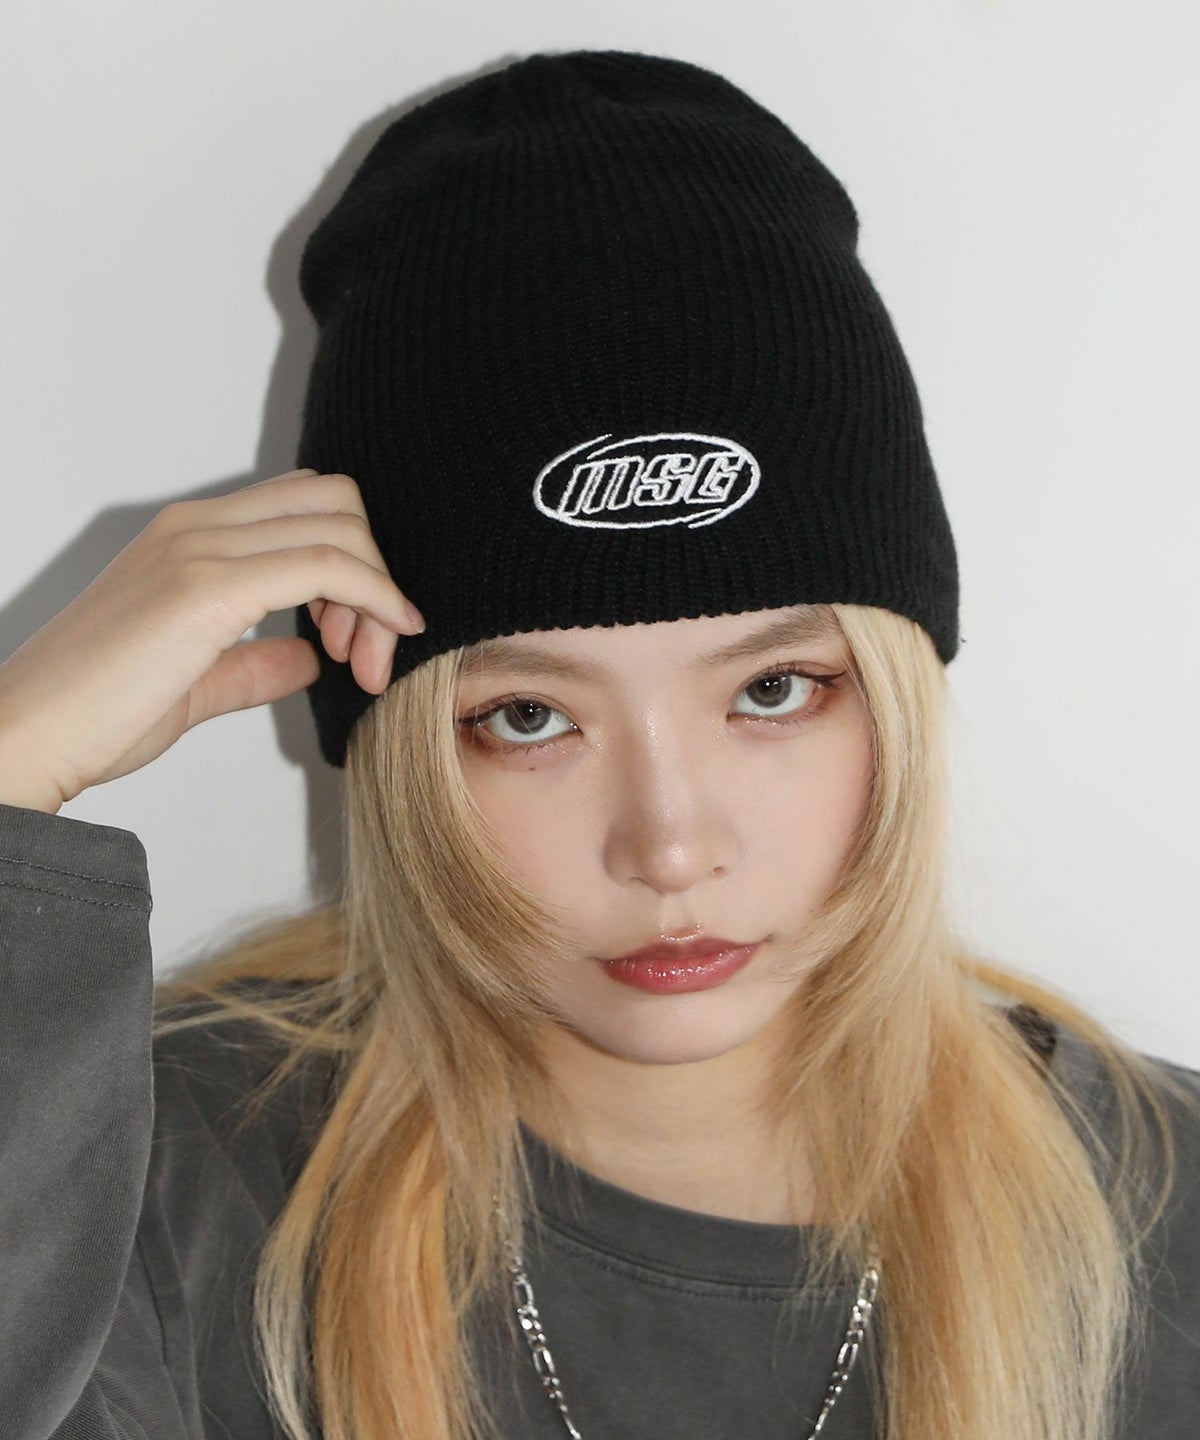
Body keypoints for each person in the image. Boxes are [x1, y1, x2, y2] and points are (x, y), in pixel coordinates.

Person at [0, 47, 1197, 1440]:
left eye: (773, 691)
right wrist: (12, 772)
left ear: (899, 691)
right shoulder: (133, 1190)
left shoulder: (1167, 1215)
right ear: (400, 748)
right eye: (530, 717)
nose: (670, 845)